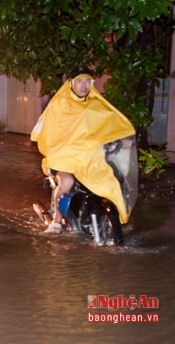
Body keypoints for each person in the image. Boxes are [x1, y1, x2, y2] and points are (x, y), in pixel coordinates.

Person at [30, 67, 135, 233]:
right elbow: (49, 134)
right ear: (71, 84)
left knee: (110, 178)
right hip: (62, 157)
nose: (83, 85)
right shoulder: (60, 104)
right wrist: (59, 148)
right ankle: (56, 221)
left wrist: (122, 140)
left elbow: (108, 127)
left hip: (88, 158)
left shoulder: (96, 106)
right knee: (67, 182)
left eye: (87, 81)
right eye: (79, 81)